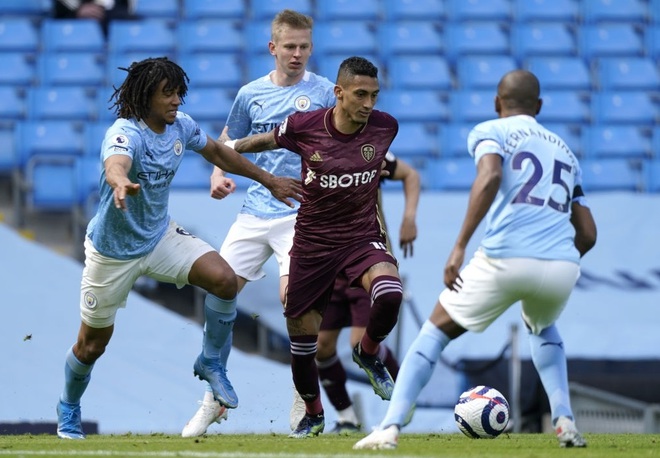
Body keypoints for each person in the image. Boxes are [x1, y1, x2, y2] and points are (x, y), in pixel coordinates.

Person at [55, 57, 301, 440]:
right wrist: (120, 182)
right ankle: (68, 408)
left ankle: (211, 363)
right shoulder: (126, 132)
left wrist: (268, 180)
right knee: (90, 346)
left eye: (178, 93)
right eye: (167, 94)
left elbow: (219, 153)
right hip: (112, 253)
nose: (175, 101)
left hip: (159, 237)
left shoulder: (181, 127)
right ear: (143, 97)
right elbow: (115, 164)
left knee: (223, 279)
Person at [353, 69, 597, 450]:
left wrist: (459, 245)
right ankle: (564, 419)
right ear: (540, 106)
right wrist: (555, 261)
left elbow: (489, 175)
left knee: (432, 333)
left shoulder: (491, 131)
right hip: (562, 265)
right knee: (543, 328)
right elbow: (588, 233)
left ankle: (389, 427)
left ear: (498, 103)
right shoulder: (565, 150)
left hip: (505, 257)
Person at [227, 56, 404, 438]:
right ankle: (314, 412)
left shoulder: (385, 127)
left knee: (390, 292)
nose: (369, 104)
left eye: (374, 95)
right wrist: (228, 148)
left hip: (360, 237)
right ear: (338, 93)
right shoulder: (306, 126)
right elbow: (268, 139)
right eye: (361, 95)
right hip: (313, 242)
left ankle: (368, 353)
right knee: (303, 340)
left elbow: (400, 172)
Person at [180, 9, 336, 438]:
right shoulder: (251, 93)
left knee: (295, 303)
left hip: (302, 214)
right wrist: (217, 174)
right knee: (219, 288)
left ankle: (303, 400)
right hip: (254, 210)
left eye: (304, 46)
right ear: (273, 48)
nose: (298, 54)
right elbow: (227, 142)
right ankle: (214, 398)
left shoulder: (324, 92)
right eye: (290, 46)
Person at [309, 153, 420, 434]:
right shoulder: (313, 148)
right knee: (321, 346)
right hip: (328, 265)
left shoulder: (373, 149)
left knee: (362, 344)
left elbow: (411, 175)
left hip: (366, 261)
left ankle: (403, 400)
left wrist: (409, 218)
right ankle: (347, 417)